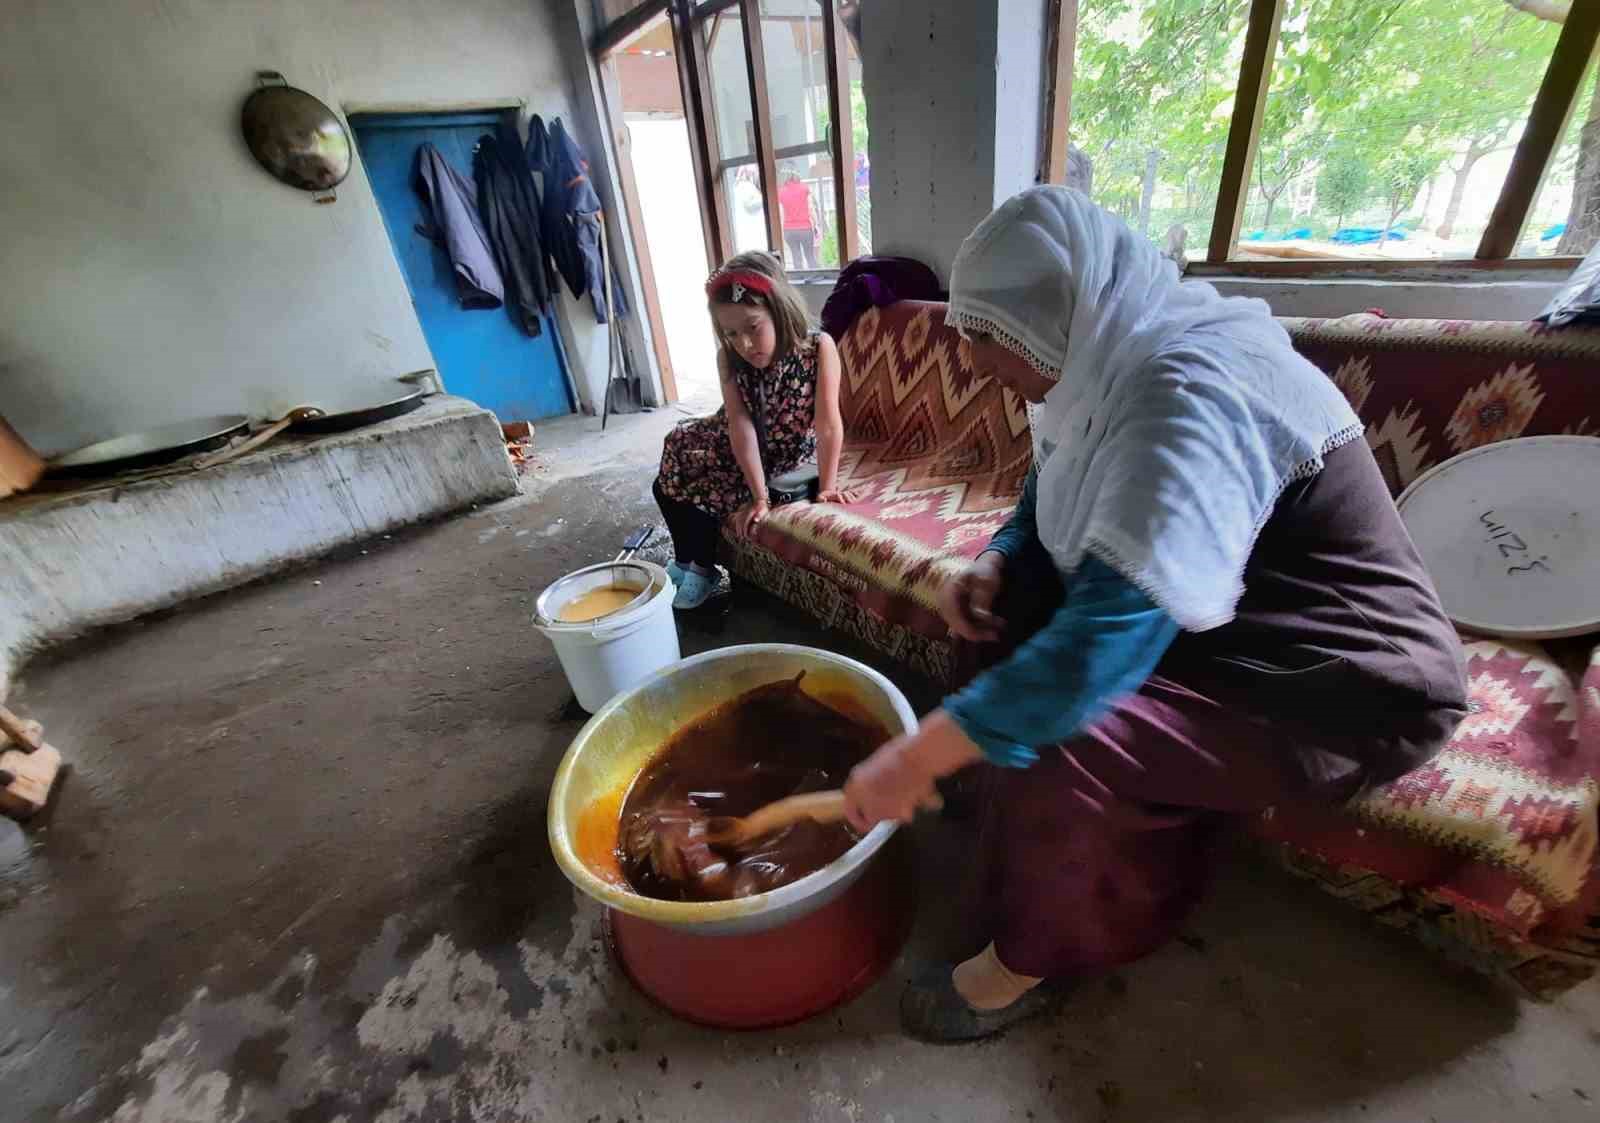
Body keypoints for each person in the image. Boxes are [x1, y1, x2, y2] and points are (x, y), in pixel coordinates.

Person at [840, 187, 1467, 1042]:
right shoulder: (1103, 346)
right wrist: (996, 556)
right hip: (1231, 621)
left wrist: (918, 749)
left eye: (986, 336)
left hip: (1337, 681)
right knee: (1003, 604)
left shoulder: (1189, 392)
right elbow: (1051, 478)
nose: (973, 358)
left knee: (1069, 731)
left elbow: (1091, 659)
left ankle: (1035, 956)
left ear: (1049, 318)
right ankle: (992, 791)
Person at [653, 251, 858, 609]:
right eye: (731, 333)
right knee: (673, 457)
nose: (744, 344)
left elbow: (827, 423)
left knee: (706, 484)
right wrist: (759, 495)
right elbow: (739, 424)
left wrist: (827, 487)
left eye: (753, 327)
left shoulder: (818, 348)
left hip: (783, 449)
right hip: (738, 440)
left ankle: (703, 568)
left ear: (779, 310)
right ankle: (685, 560)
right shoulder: (729, 358)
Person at [778, 171, 818, 270]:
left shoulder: (781, 192)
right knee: (810, 256)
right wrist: (816, 224)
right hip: (805, 228)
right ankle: (815, 278)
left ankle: (800, 280)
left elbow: (780, 212)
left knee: (796, 258)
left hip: (789, 230)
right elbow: (811, 208)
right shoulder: (804, 188)